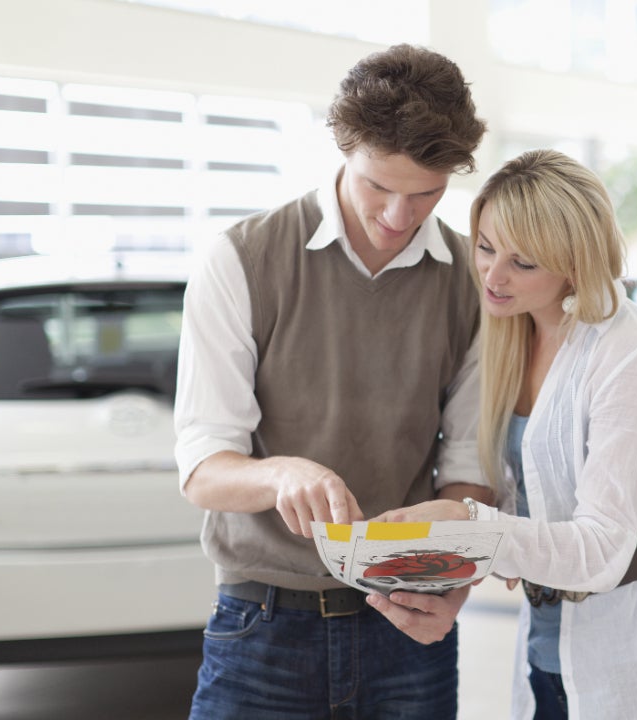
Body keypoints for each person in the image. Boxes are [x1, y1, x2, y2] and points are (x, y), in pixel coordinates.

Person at [173, 44, 491, 719]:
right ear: (345, 149)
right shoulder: (242, 260)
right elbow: (203, 466)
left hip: (410, 628)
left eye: (426, 194)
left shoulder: (471, 280)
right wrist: (282, 474)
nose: (399, 218)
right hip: (263, 626)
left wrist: (452, 584)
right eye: (379, 187)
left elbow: (469, 466)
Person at [380, 149, 637, 719]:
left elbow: (600, 549)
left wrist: (467, 526)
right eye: (486, 247)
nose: (492, 275)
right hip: (545, 652)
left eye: (523, 262)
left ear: (574, 263)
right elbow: (526, 514)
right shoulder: (512, 333)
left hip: (625, 658)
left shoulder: (628, 353)